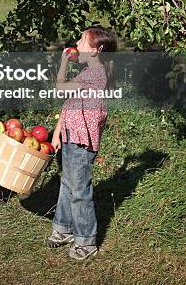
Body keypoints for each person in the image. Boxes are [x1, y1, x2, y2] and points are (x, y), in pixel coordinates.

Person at [45, 26, 117, 261]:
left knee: (79, 189)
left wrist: (64, 62)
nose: (76, 42)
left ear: (96, 50)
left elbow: (59, 88)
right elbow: (69, 103)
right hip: (71, 134)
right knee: (68, 183)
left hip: (80, 140)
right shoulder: (90, 72)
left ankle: (86, 241)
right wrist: (57, 133)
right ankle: (64, 228)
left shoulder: (93, 75)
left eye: (82, 40)